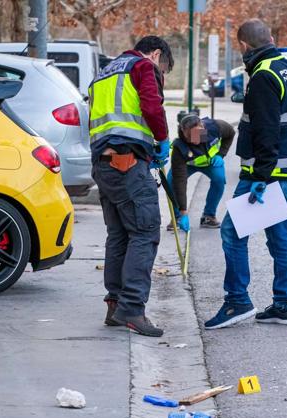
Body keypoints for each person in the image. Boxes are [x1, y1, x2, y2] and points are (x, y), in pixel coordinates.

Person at [204, 18, 287, 329]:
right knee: (279, 237)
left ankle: (237, 302)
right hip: (286, 169)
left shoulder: (263, 76)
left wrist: (260, 177)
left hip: (266, 174)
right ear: (270, 38)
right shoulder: (285, 66)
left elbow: (266, 131)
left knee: (232, 233)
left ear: (245, 46)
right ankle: (284, 304)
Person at [89, 36, 174, 337]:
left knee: (119, 235)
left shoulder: (104, 72)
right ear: (155, 54)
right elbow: (152, 107)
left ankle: (115, 306)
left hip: (103, 163)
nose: (160, 74)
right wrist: (162, 140)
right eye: (163, 68)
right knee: (145, 232)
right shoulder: (142, 67)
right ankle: (133, 309)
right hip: (127, 164)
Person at [167, 114, 236, 232]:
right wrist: (183, 212)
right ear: (183, 131)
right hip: (188, 166)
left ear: (202, 126)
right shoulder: (179, 147)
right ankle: (177, 217)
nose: (194, 140)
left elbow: (230, 133)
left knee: (219, 179)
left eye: (197, 134)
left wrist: (221, 154)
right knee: (172, 181)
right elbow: (180, 182)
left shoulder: (215, 127)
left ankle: (208, 216)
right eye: (189, 136)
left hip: (210, 163)